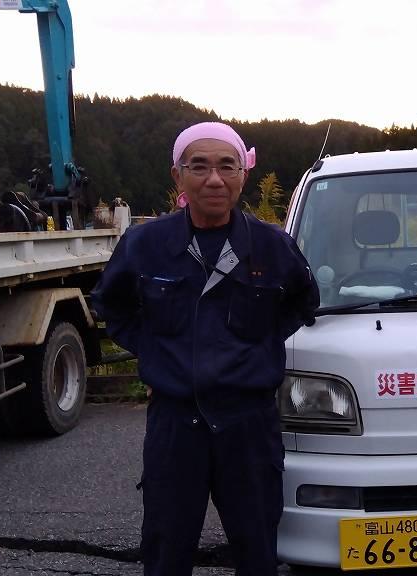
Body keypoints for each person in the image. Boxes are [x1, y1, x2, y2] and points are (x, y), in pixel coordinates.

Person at [91, 121, 319, 576]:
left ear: (242, 175)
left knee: (257, 550)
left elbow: (302, 303)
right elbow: (111, 306)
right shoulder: (145, 245)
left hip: (249, 424)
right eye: (199, 166)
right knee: (166, 550)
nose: (214, 179)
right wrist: (154, 351)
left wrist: (258, 347)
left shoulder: (272, 247)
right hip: (176, 424)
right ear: (177, 175)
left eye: (226, 166)